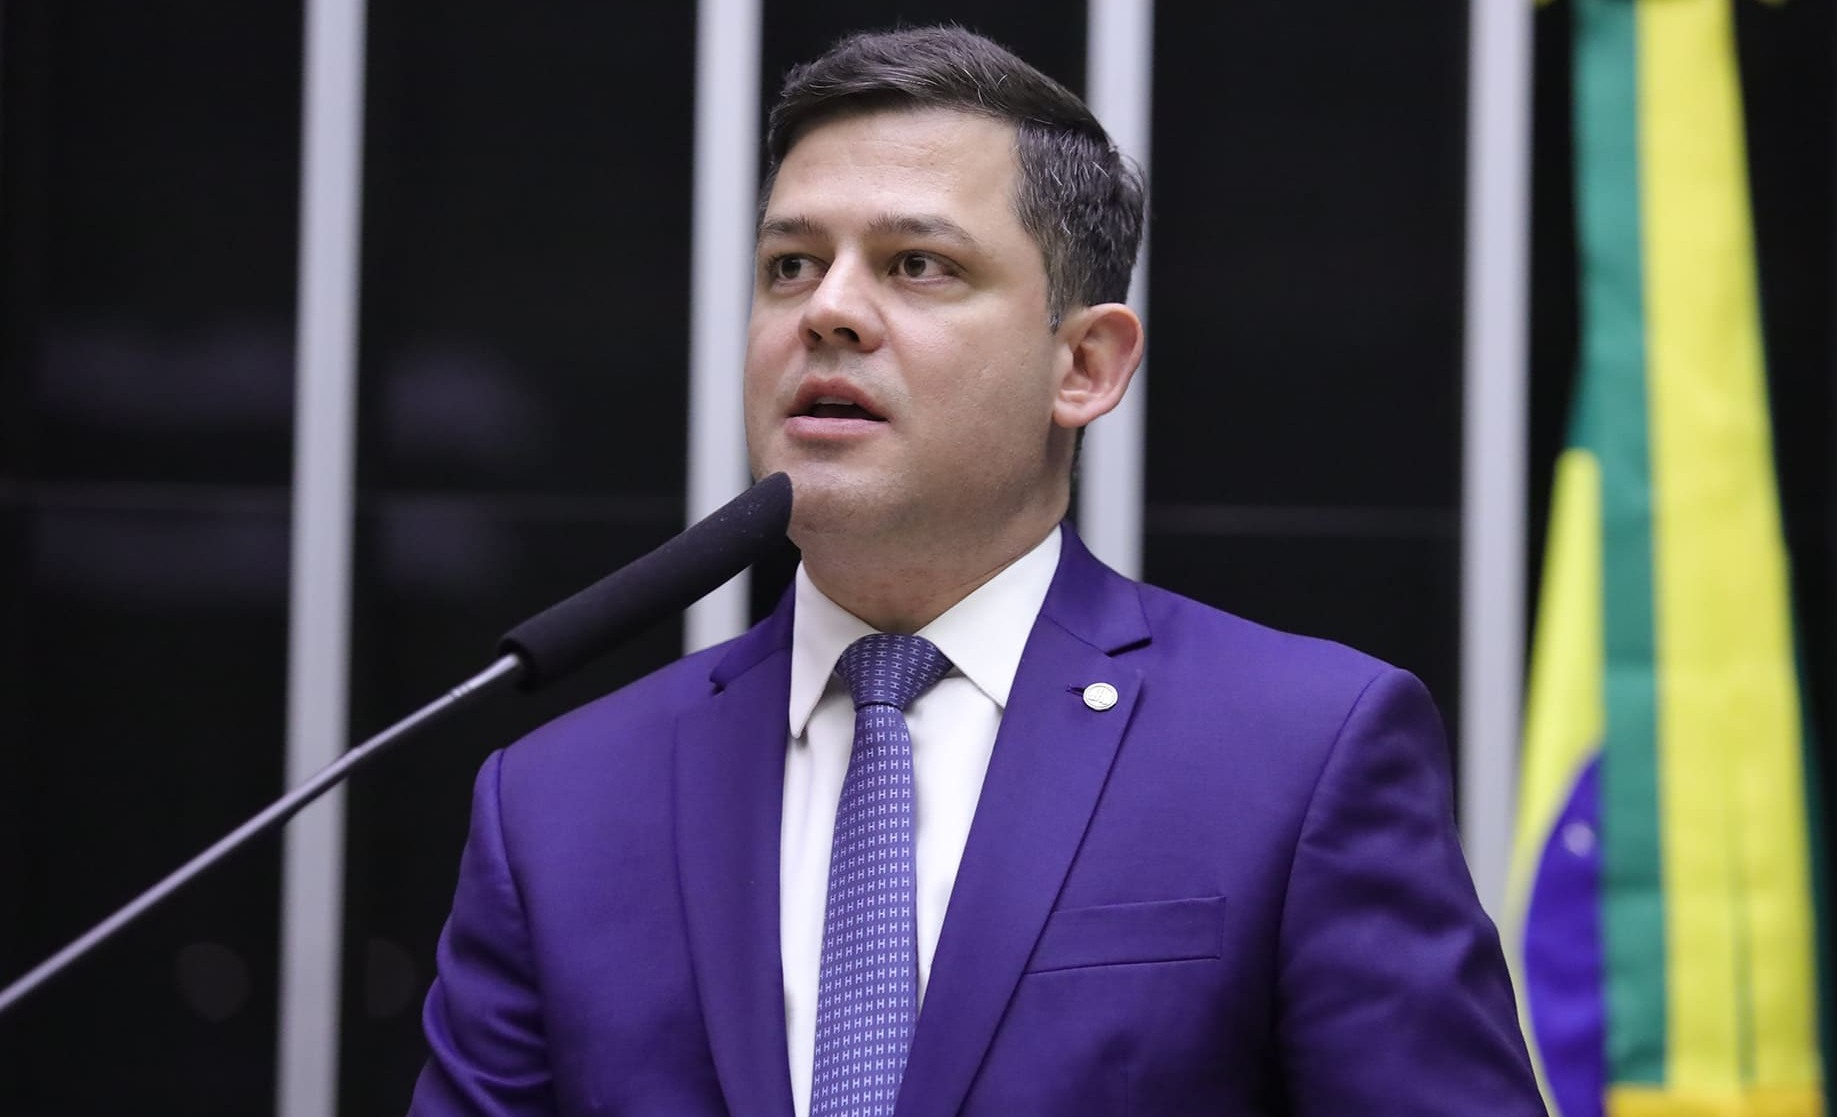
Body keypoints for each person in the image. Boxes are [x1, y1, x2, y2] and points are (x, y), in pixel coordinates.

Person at [410, 25, 1545, 1117]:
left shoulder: (1299, 752)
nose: (829, 312)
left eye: (917, 265)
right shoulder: (557, 804)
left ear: (1085, 365)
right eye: (789, 264)